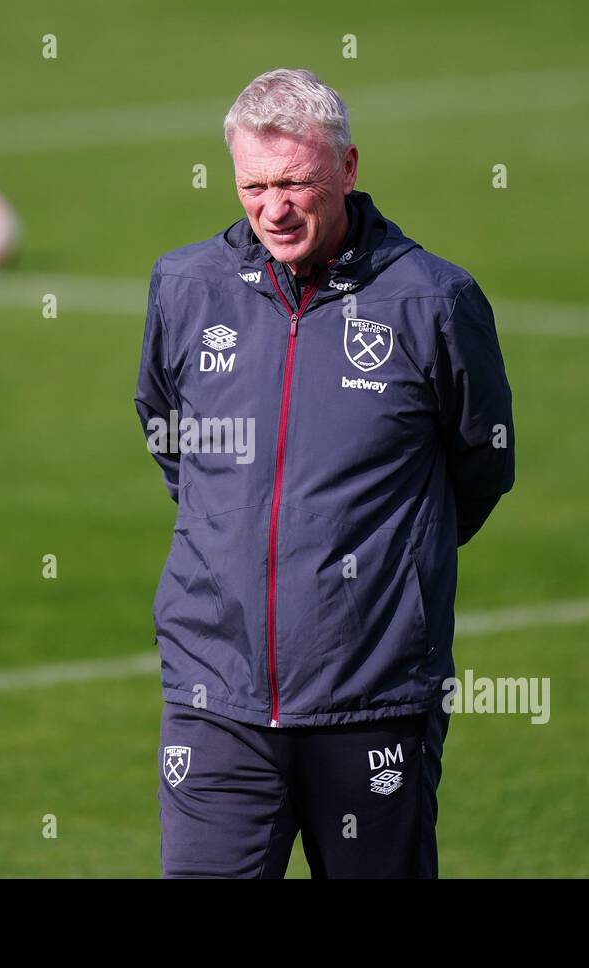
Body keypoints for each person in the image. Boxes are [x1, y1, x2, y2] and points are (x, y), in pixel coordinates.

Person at [135, 67, 515, 878]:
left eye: (296, 183)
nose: (274, 208)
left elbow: (481, 464)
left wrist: (387, 566)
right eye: (255, 185)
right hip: (215, 696)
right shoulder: (185, 289)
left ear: (347, 169)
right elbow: (171, 440)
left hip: (372, 697)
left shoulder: (432, 302)